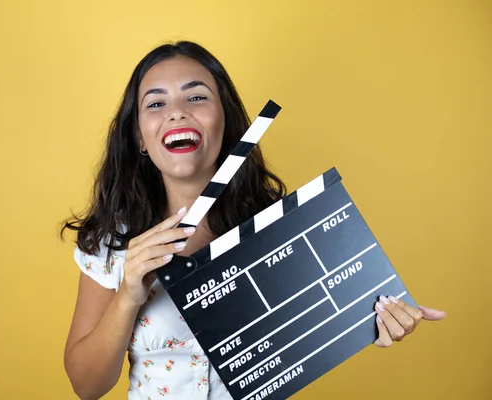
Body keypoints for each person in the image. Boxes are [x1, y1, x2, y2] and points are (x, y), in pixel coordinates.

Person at [60, 40, 446, 400]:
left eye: (196, 97)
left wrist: (368, 324)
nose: (177, 111)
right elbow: (87, 385)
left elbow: (323, 317)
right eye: (156, 104)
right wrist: (128, 293)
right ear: (139, 138)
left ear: (225, 122)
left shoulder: (278, 226)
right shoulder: (112, 241)